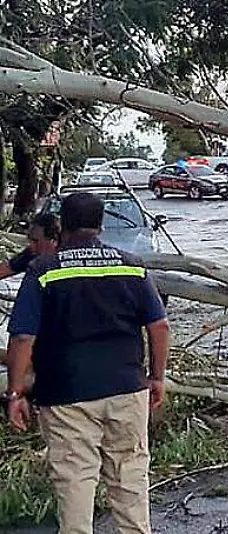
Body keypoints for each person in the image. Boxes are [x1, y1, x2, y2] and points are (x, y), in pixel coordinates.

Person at [6, 192, 170, 534]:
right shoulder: (131, 265)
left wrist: (16, 393)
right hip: (127, 390)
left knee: (76, 483)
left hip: (67, 395)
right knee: (130, 480)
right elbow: (160, 326)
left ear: (62, 225)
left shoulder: (44, 271)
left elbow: (22, 338)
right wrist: (157, 378)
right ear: (100, 226)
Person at [0, 213, 60, 280]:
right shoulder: (30, 254)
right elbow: (6, 268)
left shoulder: (63, 260)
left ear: (54, 241)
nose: (31, 245)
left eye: (35, 241)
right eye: (29, 239)